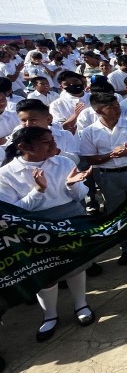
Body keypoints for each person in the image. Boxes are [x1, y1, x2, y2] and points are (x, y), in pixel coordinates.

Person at [0, 127, 93, 341]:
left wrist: (72, 185)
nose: (53, 146)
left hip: (69, 217)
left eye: (52, 140)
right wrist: (38, 191)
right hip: (35, 226)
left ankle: (81, 305)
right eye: (45, 143)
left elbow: (80, 195)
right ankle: (50, 315)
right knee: (45, 271)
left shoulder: (64, 162)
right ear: (24, 147)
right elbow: (14, 212)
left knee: (75, 265)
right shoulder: (6, 174)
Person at [78, 92, 127, 265]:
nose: (117, 109)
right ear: (99, 111)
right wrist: (111, 155)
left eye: (116, 105)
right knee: (117, 213)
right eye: (111, 107)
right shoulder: (90, 132)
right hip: (107, 176)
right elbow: (90, 159)